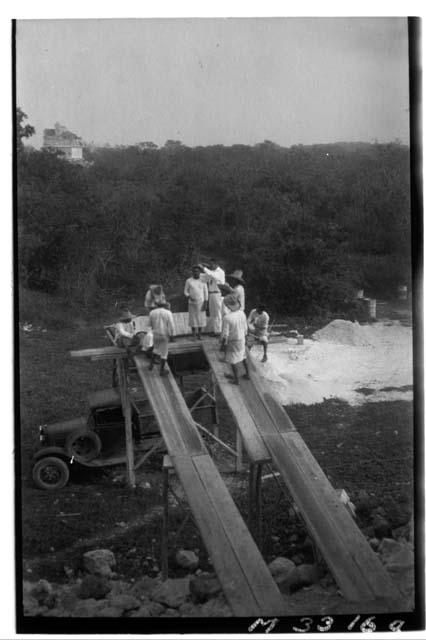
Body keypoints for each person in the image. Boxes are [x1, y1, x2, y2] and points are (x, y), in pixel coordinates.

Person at [221, 294, 250, 385]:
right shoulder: (242, 313)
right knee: (243, 357)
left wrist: (223, 345)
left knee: (233, 361)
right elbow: (245, 328)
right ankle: (247, 374)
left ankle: (236, 380)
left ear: (228, 305)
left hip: (233, 341)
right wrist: (246, 338)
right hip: (242, 339)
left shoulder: (227, 317)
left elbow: (225, 334)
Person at [198, 258, 225, 336]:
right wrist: (198, 271)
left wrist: (204, 268)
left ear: (216, 264)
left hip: (217, 294)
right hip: (211, 294)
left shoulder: (220, 272)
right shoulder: (211, 272)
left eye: (212, 264)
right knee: (213, 314)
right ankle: (215, 331)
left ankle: (219, 331)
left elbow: (212, 275)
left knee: (218, 313)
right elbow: (205, 277)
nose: (211, 266)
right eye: (210, 264)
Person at [147, 301, 175, 376]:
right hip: (165, 335)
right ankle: (161, 371)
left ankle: (151, 364)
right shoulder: (168, 313)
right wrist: (172, 336)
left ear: (156, 304)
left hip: (155, 334)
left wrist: (151, 333)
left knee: (156, 349)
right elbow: (171, 326)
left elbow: (149, 325)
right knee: (164, 353)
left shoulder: (152, 312)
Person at [184, 265, 208, 339]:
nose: (196, 273)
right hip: (192, 303)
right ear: (192, 272)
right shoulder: (188, 281)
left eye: (197, 271)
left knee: (201, 319)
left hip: (201, 303)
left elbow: (206, 292)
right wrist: (189, 296)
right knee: (193, 319)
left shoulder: (203, 280)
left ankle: (199, 335)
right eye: (194, 272)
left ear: (200, 272)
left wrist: (206, 303)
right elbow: (185, 291)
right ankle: (194, 335)